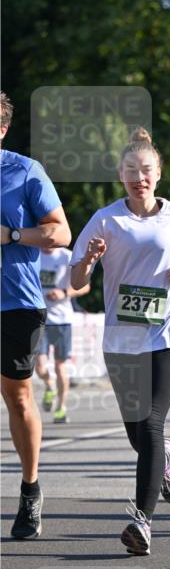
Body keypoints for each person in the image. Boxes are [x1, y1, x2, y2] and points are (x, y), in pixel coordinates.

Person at [70, 128, 170, 555]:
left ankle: (141, 522)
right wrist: (89, 260)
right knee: (138, 435)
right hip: (122, 339)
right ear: (120, 175)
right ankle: (164, 458)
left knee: (148, 422)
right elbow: (75, 281)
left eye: (146, 170)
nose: (139, 177)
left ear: (159, 174)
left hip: (168, 335)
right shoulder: (107, 218)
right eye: (131, 171)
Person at [1, 91, 72, 540]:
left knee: (19, 397)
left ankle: (30, 488)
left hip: (16, 304)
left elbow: (60, 233)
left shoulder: (24, 171)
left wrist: (9, 234)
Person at [35, 246, 90, 423]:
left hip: (62, 319)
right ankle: (49, 385)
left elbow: (85, 287)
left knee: (60, 366)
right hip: (39, 319)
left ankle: (61, 407)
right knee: (39, 367)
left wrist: (64, 293)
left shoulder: (67, 256)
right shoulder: (33, 254)